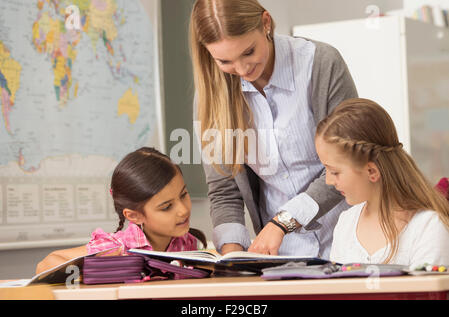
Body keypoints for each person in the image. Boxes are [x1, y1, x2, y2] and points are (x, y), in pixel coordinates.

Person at [189, 0, 357, 257]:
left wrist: (283, 222)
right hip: (280, 254)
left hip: (350, 239)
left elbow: (348, 161)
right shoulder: (211, 96)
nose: (242, 70)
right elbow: (224, 189)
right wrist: (232, 255)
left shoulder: (320, 63)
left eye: (248, 52)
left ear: (265, 23)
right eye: (225, 61)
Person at [315, 98, 449, 266]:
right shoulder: (346, 223)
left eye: (335, 172)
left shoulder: (428, 226)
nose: (328, 181)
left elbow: (429, 292)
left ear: (371, 171)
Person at [36, 147, 207, 274]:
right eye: (167, 207)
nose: (183, 210)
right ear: (134, 216)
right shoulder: (117, 248)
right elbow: (46, 264)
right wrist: (98, 269)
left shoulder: (185, 242)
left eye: (183, 194)